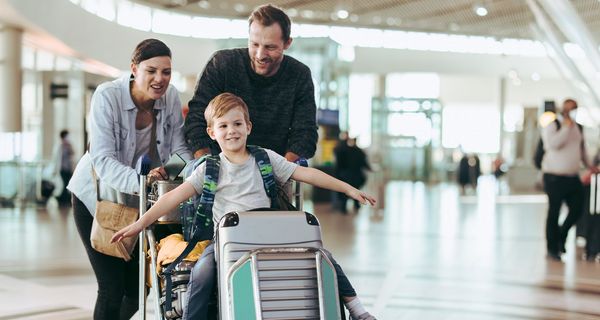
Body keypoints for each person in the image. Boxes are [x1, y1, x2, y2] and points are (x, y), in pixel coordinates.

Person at [112, 93, 378, 320]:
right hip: (228, 240)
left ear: (248, 126)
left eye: (237, 123)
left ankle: (357, 309)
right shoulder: (209, 168)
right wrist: (139, 224)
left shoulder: (265, 158)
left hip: (268, 235)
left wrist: (348, 188)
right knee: (203, 271)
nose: (232, 131)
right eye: (224, 126)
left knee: (324, 256)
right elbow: (173, 197)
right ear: (212, 132)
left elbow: (308, 175)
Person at [67, 39, 192, 319]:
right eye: (152, 71)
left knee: (137, 290)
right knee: (111, 289)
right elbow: (103, 158)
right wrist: (143, 179)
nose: (160, 79)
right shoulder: (107, 95)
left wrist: (186, 171)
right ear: (134, 68)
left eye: (166, 72)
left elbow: (179, 149)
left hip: (139, 202)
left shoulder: (170, 97)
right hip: (97, 198)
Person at [184, 4, 318, 162]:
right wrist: (208, 167)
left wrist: (280, 173)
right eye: (254, 44)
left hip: (274, 170)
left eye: (270, 47)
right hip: (219, 169)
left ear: (287, 43)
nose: (260, 55)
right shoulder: (222, 64)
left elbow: (305, 134)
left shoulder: (299, 75)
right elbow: (196, 119)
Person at [541, 98, 598, 261]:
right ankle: (553, 248)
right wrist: (566, 127)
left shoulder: (578, 127)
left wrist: (590, 166)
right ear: (563, 110)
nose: (572, 112)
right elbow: (553, 144)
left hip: (572, 177)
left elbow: (581, 150)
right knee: (554, 212)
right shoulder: (553, 125)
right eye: (570, 109)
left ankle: (562, 233)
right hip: (554, 177)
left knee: (578, 208)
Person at [335, 137, 371, 213]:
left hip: (346, 175)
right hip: (355, 175)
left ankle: (344, 208)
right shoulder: (358, 151)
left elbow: (339, 164)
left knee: (345, 191)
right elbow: (364, 163)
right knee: (355, 190)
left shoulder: (344, 151)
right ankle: (355, 205)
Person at [56, 129, 74, 205]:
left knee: (68, 184)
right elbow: (58, 158)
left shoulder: (68, 145)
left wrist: (69, 146)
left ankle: (63, 199)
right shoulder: (60, 146)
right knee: (65, 184)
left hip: (68, 168)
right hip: (63, 169)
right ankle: (62, 199)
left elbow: (72, 153)